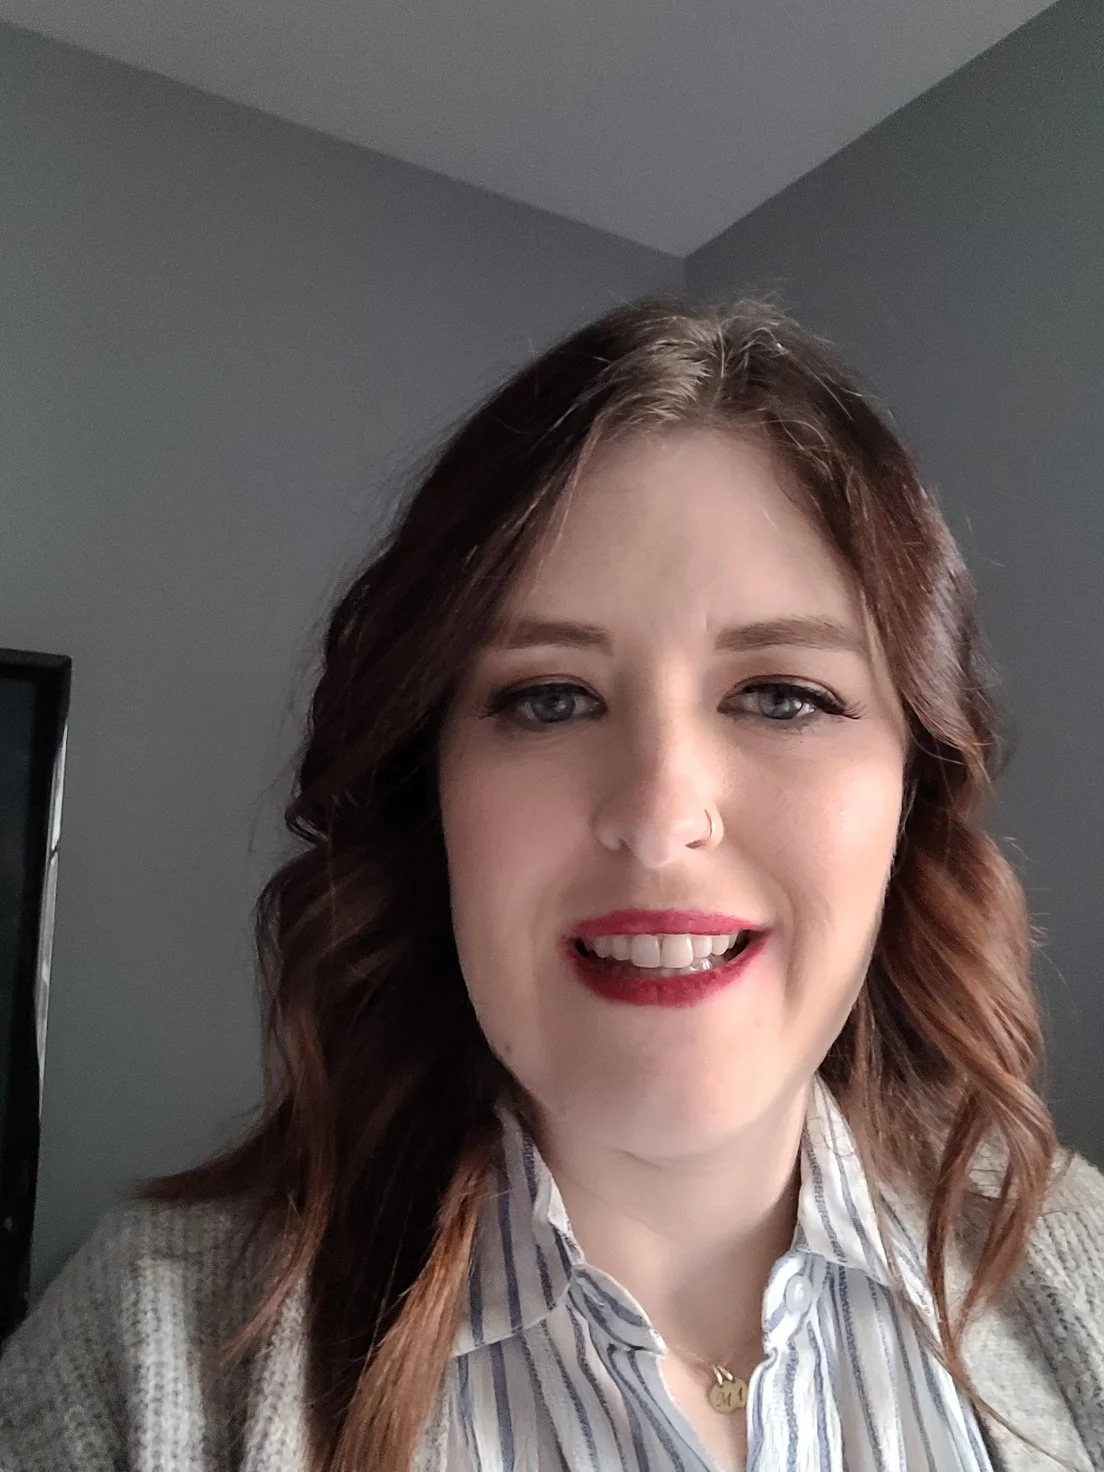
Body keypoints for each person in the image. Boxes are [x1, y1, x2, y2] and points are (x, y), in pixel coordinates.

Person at [1, 297, 1101, 1472]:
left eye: (783, 695)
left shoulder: (1077, 1264)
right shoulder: (140, 1351)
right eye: (549, 697)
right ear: (429, 794)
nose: (659, 818)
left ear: (910, 793)